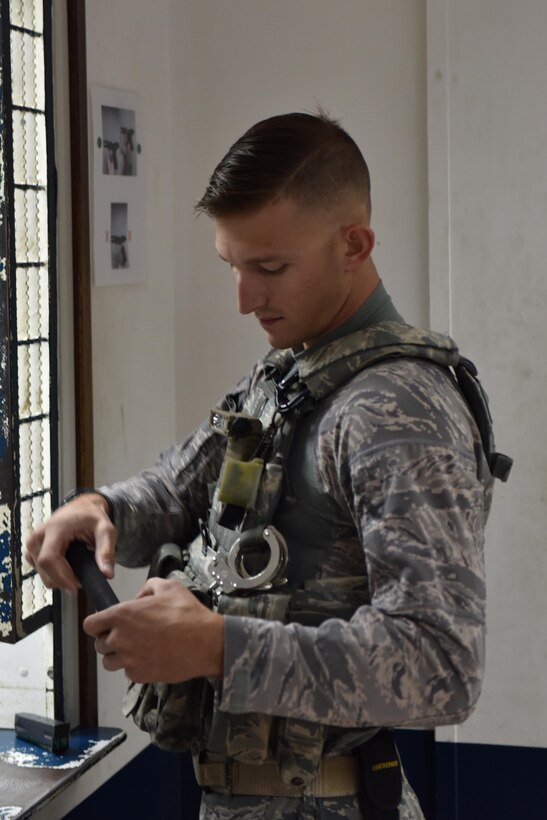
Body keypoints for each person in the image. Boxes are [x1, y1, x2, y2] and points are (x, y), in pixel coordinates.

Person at [26, 112, 495, 820]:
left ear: (353, 244)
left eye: (269, 268)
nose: (244, 299)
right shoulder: (290, 374)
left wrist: (216, 647)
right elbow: (180, 487)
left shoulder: (399, 414)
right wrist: (100, 509)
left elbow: (439, 668)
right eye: (233, 266)